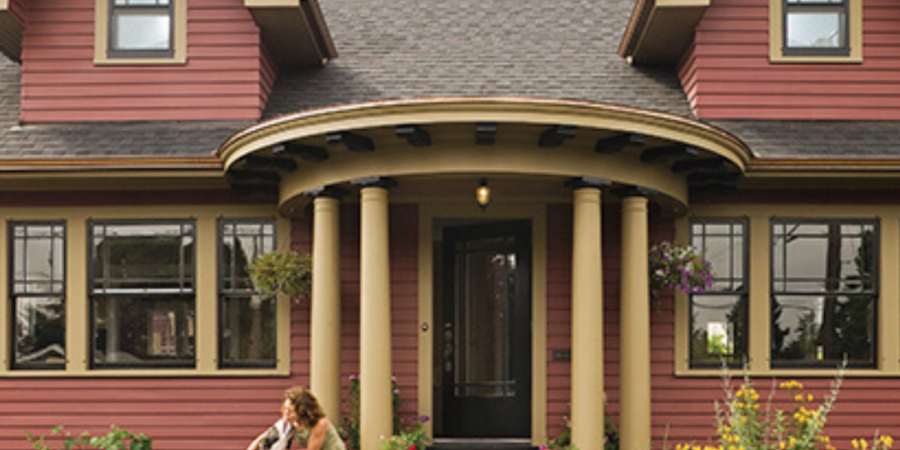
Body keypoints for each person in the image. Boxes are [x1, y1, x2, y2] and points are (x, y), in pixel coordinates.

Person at [246, 387, 347, 450]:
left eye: (290, 411)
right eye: (285, 409)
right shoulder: (288, 422)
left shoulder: (319, 423)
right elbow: (261, 439)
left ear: (303, 410)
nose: (286, 413)